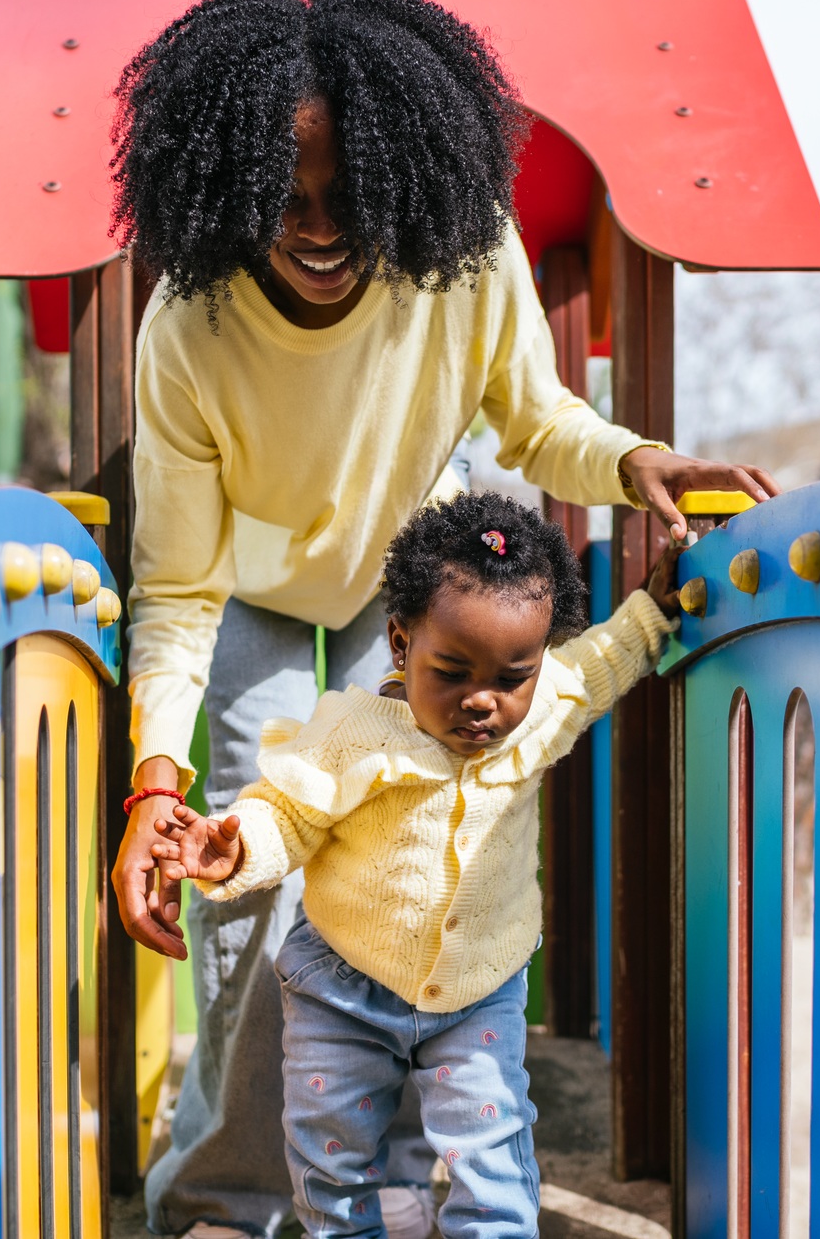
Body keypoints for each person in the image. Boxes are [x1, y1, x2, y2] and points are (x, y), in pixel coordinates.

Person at [109, 0, 777, 1239]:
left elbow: (536, 420)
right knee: (253, 864)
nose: (317, 227)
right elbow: (181, 589)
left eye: (348, 195)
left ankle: (387, 1165)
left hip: (406, 591)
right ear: (233, 188)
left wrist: (633, 459)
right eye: (285, 199)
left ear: (406, 178)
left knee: (394, 851)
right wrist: (154, 782)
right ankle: (221, 1196)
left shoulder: (462, 259)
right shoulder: (190, 324)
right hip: (253, 587)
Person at [149, 493, 685, 1239]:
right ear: (400, 646)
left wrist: (653, 613)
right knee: (330, 1159)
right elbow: (290, 813)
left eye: (511, 677)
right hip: (341, 989)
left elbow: (596, 667)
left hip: (478, 990)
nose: (483, 702)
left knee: (491, 1156)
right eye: (454, 670)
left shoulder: (540, 706)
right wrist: (237, 846)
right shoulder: (354, 731)